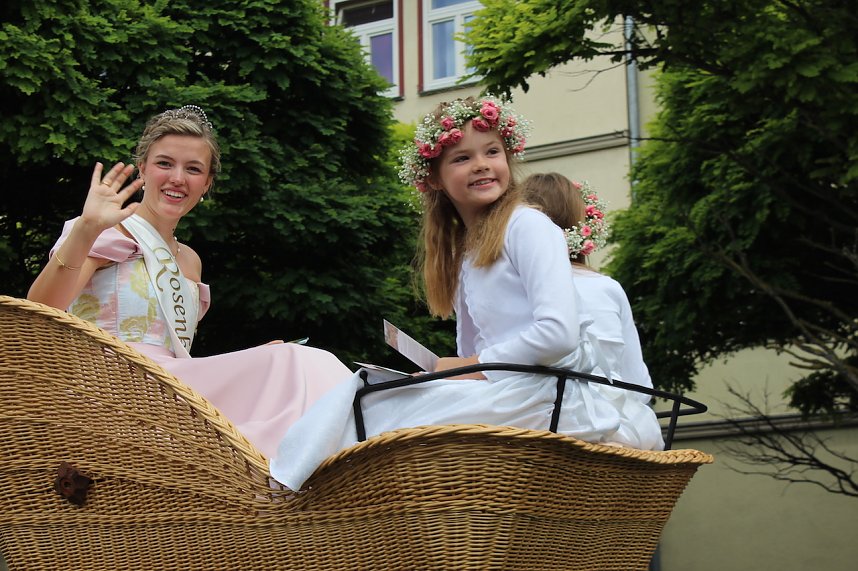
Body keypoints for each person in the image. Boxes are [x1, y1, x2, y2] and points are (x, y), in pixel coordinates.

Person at [270, 96, 663, 490]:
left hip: (546, 397)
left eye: (492, 151)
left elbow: (558, 334)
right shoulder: (466, 252)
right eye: (462, 158)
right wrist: (440, 373)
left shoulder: (529, 226)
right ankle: (308, 492)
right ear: (435, 178)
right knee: (372, 391)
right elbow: (471, 359)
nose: (481, 164)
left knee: (366, 399)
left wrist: (468, 366)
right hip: (514, 391)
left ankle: (288, 492)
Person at [27, 105, 352, 459]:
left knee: (299, 361)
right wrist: (86, 231)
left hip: (169, 388)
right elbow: (41, 311)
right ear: (143, 169)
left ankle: (327, 465)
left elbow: (175, 355)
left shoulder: (190, 261)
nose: (177, 178)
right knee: (299, 363)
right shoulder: (106, 229)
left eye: (193, 169)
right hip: (111, 386)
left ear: (207, 183)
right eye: (165, 164)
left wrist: (252, 358)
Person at [521, 172, 654, 402]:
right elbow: (638, 385)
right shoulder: (607, 288)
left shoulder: (516, 285)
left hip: (529, 416)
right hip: (612, 417)